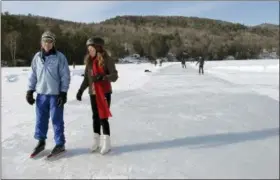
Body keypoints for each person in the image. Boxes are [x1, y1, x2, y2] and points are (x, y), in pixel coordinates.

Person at [26, 31, 71, 157]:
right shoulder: (37, 57)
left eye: (50, 41)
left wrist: (63, 93)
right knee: (40, 119)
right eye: (45, 41)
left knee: (57, 120)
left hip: (55, 94)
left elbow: (65, 76)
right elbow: (33, 75)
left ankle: (60, 144)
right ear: (41, 42)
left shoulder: (59, 57)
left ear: (53, 43)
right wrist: (30, 91)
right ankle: (41, 142)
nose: (47, 43)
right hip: (41, 94)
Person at [76, 37, 118, 155]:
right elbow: (86, 79)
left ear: (98, 48)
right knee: (95, 117)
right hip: (93, 92)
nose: (90, 51)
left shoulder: (107, 59)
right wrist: (80, 91)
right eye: (88, 49)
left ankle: (107, 143)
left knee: (103, 117)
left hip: (104, 92)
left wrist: (103, 77)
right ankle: (96, 141)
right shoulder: (89, 61)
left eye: (92, 48)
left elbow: (114, 76)